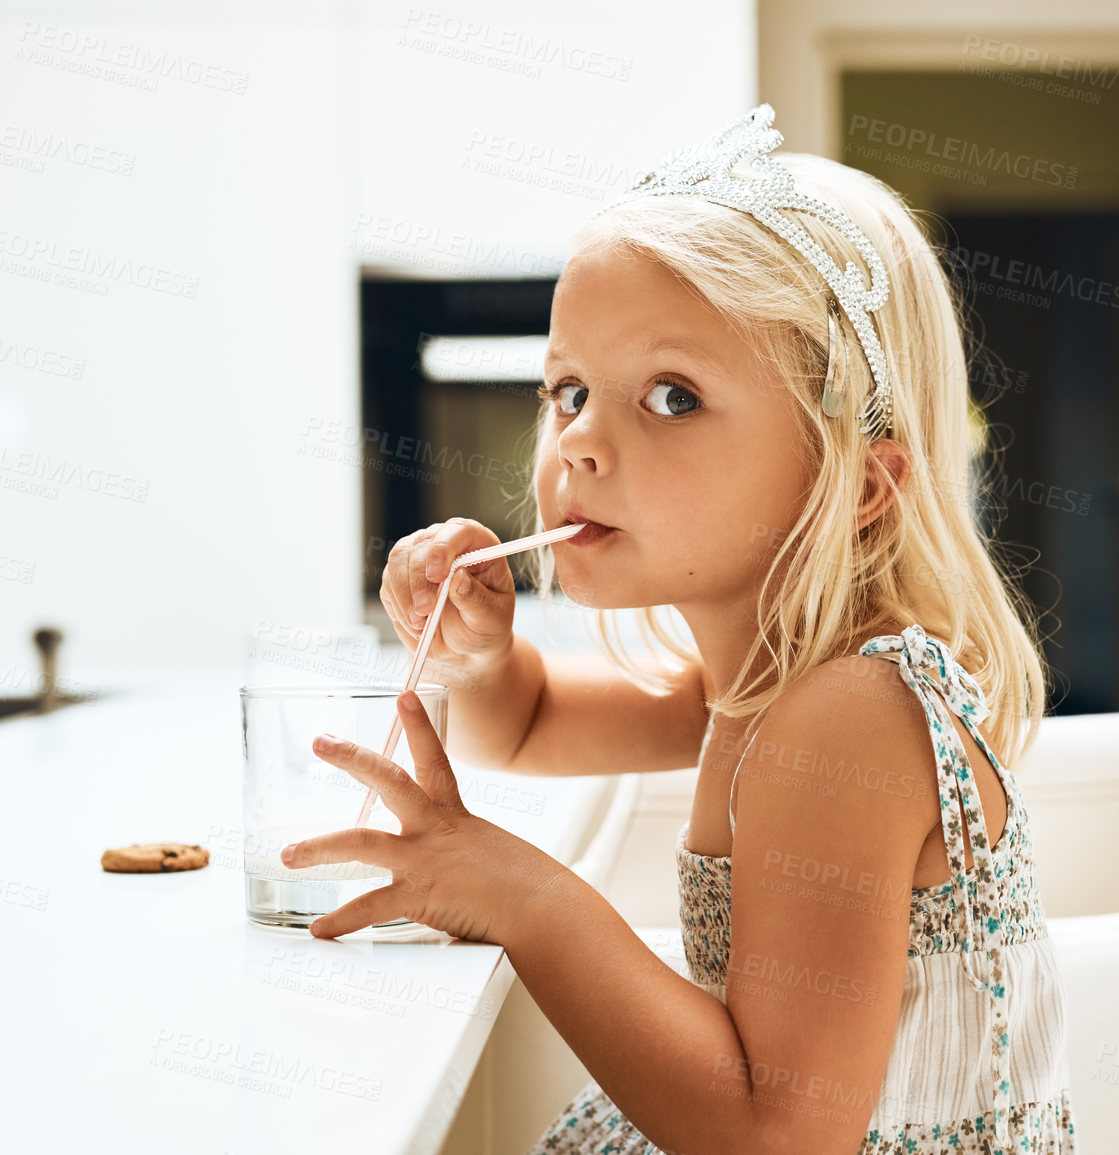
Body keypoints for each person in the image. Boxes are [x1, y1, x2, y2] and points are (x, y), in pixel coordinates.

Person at [282, 103, 1076, 1155]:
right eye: (566, 390)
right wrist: (480, 656)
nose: (580, 444)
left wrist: (520, 895)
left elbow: (778, 1136)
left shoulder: (845, 717)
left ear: (858, 485)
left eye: (671, 396)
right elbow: (520, 730)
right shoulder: (769, 680)